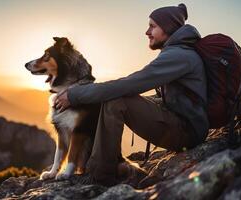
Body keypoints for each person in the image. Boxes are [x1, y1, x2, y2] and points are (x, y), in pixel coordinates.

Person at [54, 3, 209, 186]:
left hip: (186, 133)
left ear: (168, 28)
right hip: (185, 124)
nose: (147, 32)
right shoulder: (179, 52)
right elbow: (176, 99)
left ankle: (100, 175)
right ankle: (102, 169)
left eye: (152, 26)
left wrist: (75, 95)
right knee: (118, 97)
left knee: (115, 99)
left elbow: (129, 84)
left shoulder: (179, 56)